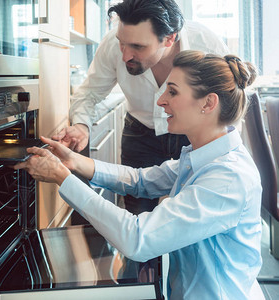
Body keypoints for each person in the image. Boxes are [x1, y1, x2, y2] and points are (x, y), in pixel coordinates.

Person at [15, 50, 264, 299]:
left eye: (173, 92)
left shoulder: (227, 179)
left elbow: (136, 239)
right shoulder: (204, 156)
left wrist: (62, 177)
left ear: (208, 103)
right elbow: (141, 180)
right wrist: (73, 161)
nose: (160, 100)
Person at [55, 0, 230, 215]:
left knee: (197, 213)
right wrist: (82, 125)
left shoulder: (205, 44)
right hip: (140, 134)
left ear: (169, 39)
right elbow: (89, 93)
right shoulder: (113, 44)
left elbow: (229, 100)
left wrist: (222, 151)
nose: (125, 55)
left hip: (195, 136)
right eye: (122, 43)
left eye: (138, 46)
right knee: (136, 211)